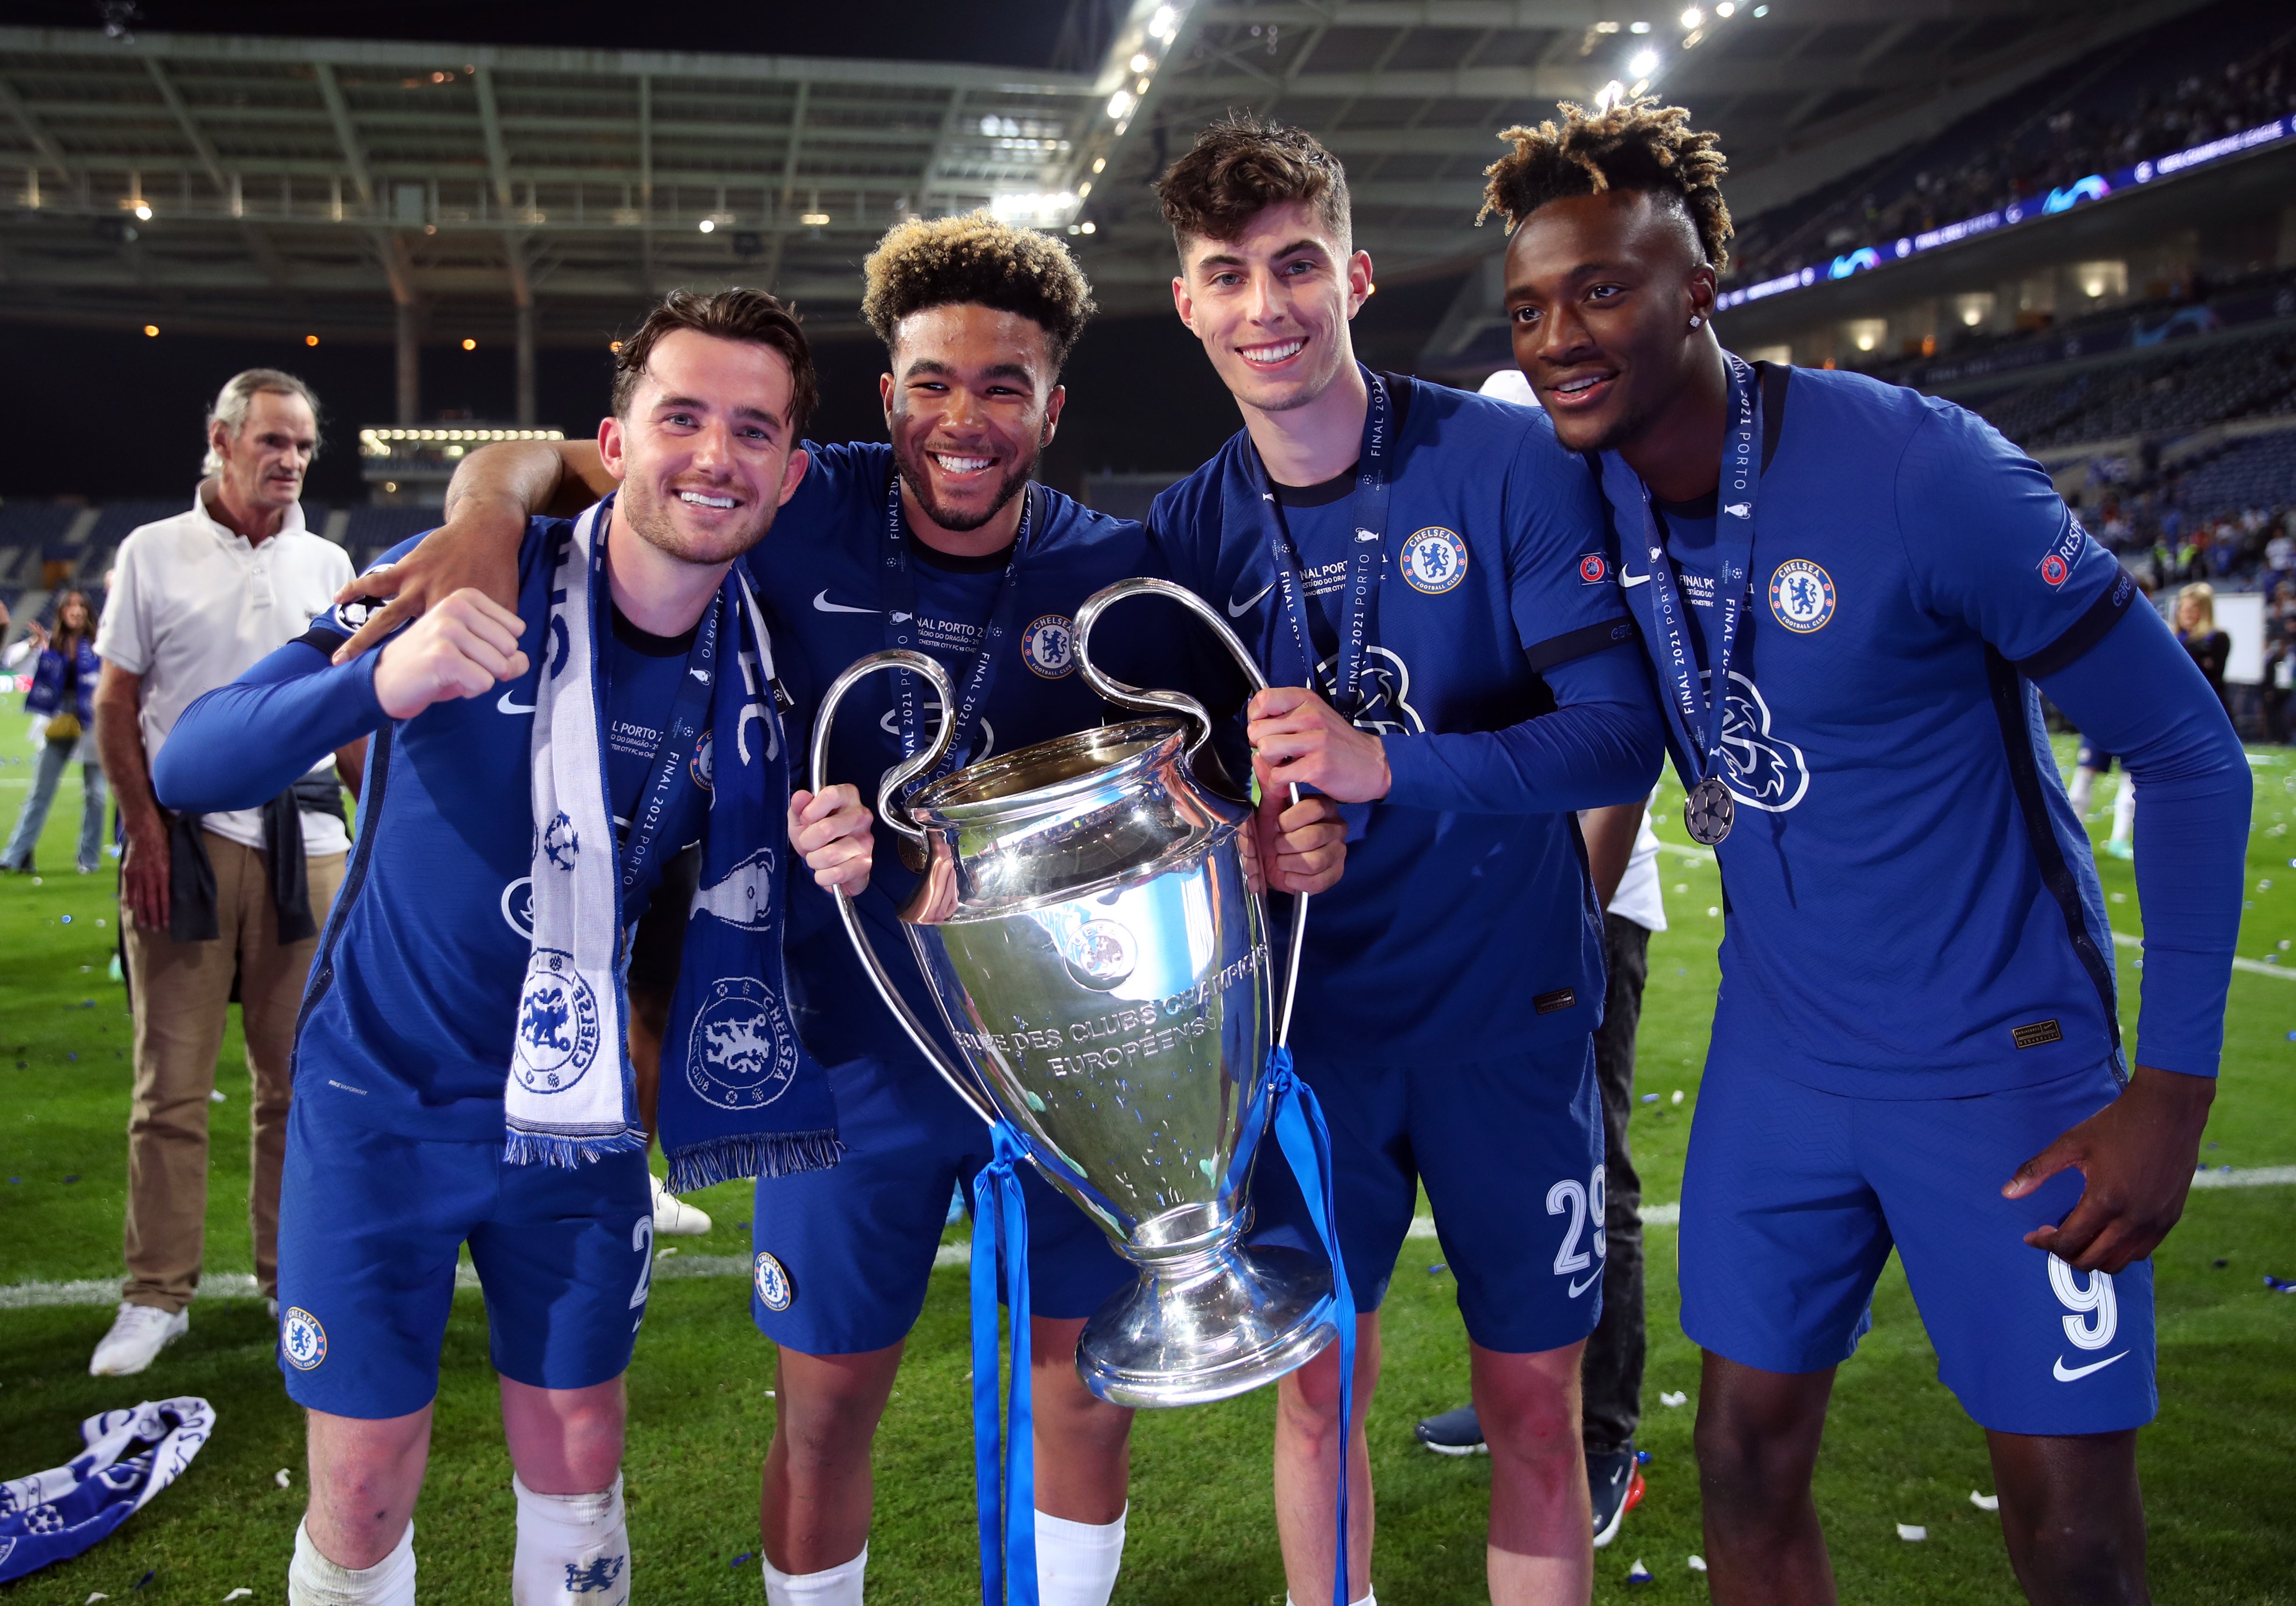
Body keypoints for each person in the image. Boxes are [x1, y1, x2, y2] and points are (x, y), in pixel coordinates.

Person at [315, 216, 1347, 1606]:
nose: (964, 422)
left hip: (1076, 1068)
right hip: (846, 1057)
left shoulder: (1114, 573)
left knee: (1080, 1396)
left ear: (1052, 404)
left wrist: (1287, 834)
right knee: (822, 1417)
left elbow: (1227, 784)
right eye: (931, 383)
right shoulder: (797, 500)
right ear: (884, 399)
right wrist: (483, 518)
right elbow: (545, 460)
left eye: (1002, 388)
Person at [1486, 98, 2245, 1605]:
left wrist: (2168, 1086)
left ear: (1699, 284)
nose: (1556, 333)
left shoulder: (1920, 470)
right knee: (1739, 1464)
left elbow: (2184, 754)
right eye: (1526, 306)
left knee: (2070, 1524)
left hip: (1997, 1058)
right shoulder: (1589, 494)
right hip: (1779, 1066)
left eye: (1599, 288)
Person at [154, 287, 874, 1606]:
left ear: (793, 469)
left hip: (577, 1121)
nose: (716, 456)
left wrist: (844, 854)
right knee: (365, 1481)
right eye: (684, 418)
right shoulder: (468, 580)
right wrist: (379, 682)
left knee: (584, 1460)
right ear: (616, 437)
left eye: (754, 430)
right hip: (383, 1107)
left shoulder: (772, 662)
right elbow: (193, 760)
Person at [1148, 115, 1666, 1606]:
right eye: (1228, 275)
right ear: (1187, 302)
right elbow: (1175, 784)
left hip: (1512, 1023)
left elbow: (1620, 736)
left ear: (1354, 275)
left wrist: (1392, 767)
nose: (1267, 306)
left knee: (1528, 1408)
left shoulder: (1496, 459)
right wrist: (1238, 840)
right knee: (1315, 1392)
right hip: (1315, 1047)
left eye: (1296, 264)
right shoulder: (1188, 528)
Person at [86, 369, 364, 1378]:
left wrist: (380, 833)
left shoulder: (329, 559)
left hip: (310, 842)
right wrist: (144, 835)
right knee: (171, 1087)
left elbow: (345, 719)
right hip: (189, 838)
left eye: (302, 445)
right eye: (273, 441)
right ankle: (156, 1293)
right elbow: (118, 705)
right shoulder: (152, 550)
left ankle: (292, 1276)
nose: (289, 460)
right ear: (224, 438)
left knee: (303, 1084)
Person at [1, 588, 109, 875]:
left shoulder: (100, 643)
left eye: (81, 605)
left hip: (92, 725)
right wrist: (33, 646)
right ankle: (14, 856)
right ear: (61, 612)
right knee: (40, 793)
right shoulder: (50, 643)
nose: (76, 610)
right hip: (58, 723)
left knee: (96, 796)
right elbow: (12, 663)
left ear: (87, 611)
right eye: (70, 605)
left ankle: (89, 860)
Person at [2173, 581, 2229, 714]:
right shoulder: (2174, 640)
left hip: (2207, 709)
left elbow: (2213, 675)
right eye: (2183, 608)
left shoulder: (2218, 638)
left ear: (2205, 611)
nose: (2187, 613)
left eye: (2194, 608)